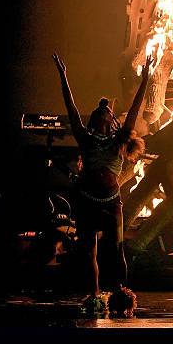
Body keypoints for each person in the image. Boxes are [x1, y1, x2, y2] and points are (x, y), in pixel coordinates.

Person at [53, 52, 152, 316]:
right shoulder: (84, 138)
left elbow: (134, 109)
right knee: (90, 252)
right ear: (94, 120)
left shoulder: (119, 140)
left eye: (106, 111)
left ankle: (121, 294)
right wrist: (64, 77)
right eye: (99, 110)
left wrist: (145, 79)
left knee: (116, 248)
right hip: (86, 202)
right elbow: (71, 109)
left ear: (112, 120)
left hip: (111, 203)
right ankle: (94, 294)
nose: (102, 110)